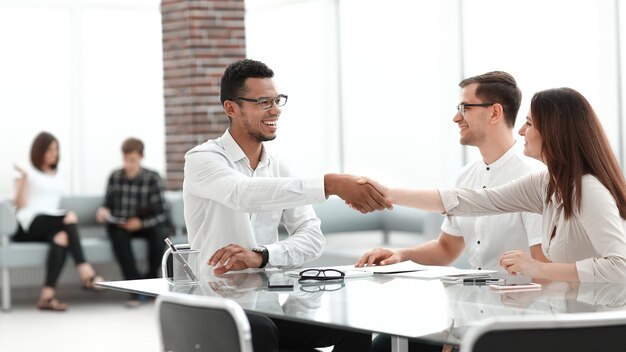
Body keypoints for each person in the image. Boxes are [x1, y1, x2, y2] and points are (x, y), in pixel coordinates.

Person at [183, 59, 389, 352]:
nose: (275, 110)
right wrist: (328, 184)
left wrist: (263, 256)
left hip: (272, 303)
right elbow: (243, 193)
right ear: (232, 108)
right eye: (263, 102)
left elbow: (312, 236)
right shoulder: (203, 159)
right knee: (262, 331)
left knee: (352, 330)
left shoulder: (280, 166)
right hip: (218, 305)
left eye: (277, 100)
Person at [356, 71, 548, 352]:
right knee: (384, 345)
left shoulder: (532, 178)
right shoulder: (465, 177)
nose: (456, 117)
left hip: (511, 327)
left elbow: (544, 270)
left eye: (464, 108)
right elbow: (446, 249)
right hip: (467, 321)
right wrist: (401, 255)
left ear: (494, 112)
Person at [360, 87, 626, 284]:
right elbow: (473, 200)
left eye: (530, 123)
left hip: (594, 331)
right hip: (565, 323)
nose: (522, 131)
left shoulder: (587, 189)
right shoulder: (546, 185)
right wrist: (387, 193)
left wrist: (537, 269)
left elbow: (620, 267)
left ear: (554, 132)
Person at [13, 132, 104, 311]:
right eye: (49, 149)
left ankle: (46, 297)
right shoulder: (26, 169)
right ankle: (86, 272)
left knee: (61, 238)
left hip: (51, 224)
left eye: (56, 149)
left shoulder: (59, 171)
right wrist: (24, 178)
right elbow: (19, 204)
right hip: (27, 225)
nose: (54, 153)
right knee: (68, 218)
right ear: (39, 151)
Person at [96, 138, 167, 304]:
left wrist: (140, 224)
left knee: (159, 233)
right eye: (126, 159)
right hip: (121, 225)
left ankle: (150, 281)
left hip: (144, 224)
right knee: (116, 234)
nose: (129, 164)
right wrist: (103, 211)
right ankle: (135, 286)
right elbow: (107, 204)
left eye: (133, 160)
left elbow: (162, 213)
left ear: (141, 157)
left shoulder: (153, 178)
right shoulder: (115, 176)